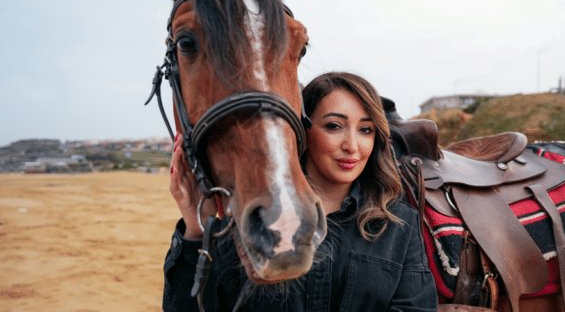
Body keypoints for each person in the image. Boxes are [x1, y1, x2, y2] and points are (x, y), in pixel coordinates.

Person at [163, 72, 438, 312]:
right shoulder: (250, 218)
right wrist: (195, 232)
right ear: (300, 131)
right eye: (334, 126)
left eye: (365, 130)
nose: (352, 146)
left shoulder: (399, 223)